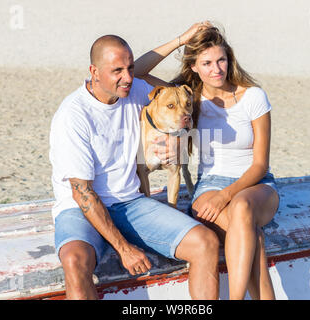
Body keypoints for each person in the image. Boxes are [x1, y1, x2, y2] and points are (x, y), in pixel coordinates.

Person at [49, 35, 220, 300]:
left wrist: (182, 39)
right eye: (117, 70)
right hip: (82, 208)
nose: (128, 77)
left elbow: (171, 95)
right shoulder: (73, 115)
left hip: (130, 203)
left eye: (130, 68)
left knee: (205, 243)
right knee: (74, 260)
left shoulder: (135, 91)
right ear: (94, 72)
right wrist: (123, 247)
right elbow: (82, 193)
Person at [134, 22, 280, 300]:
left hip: (256, 185)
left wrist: (225, 196)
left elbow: (260, 164)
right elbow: (138, 71)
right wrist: (180, 39)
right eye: (207, 63)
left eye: (221, 60)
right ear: (194, 67)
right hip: (209, 185)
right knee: (253, 237)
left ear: (230, 59)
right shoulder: (189, 98)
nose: (216, 69)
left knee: (242, 207)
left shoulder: (254, 97)